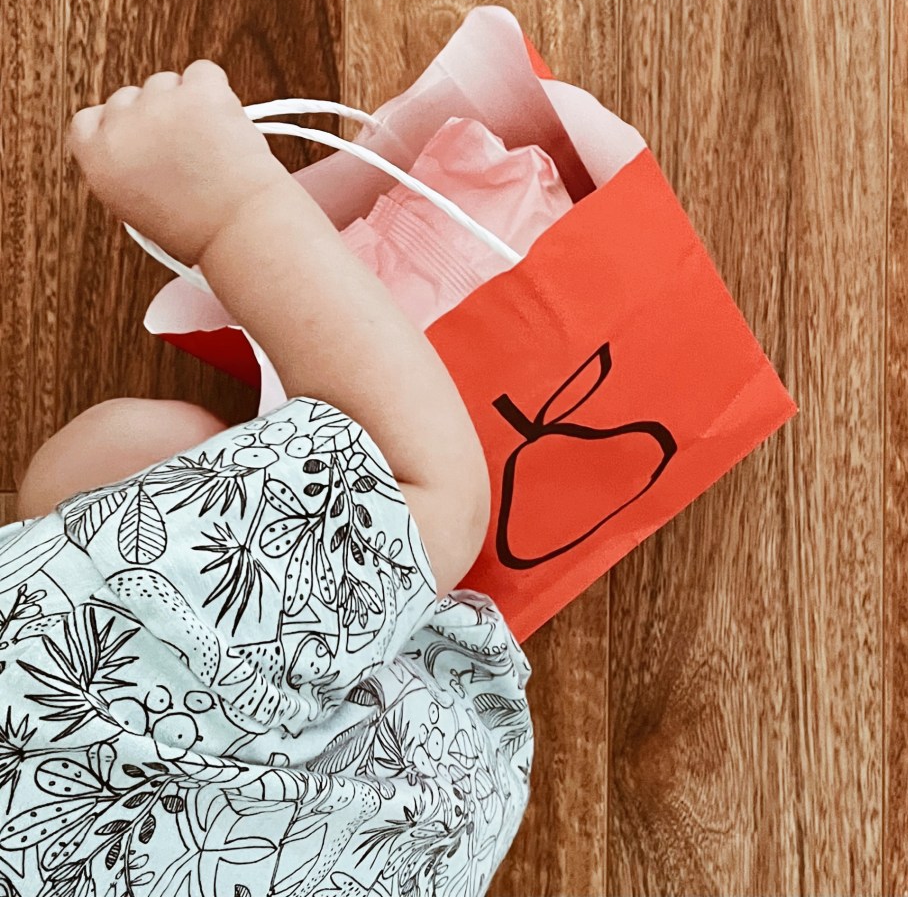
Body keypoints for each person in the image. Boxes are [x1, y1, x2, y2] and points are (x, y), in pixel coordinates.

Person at [0, 60, 533, 897]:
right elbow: (426, 489)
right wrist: (230, 211)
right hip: (424, 790)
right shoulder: (43, 658)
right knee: (115, 455)